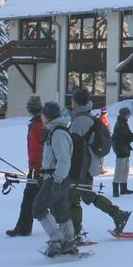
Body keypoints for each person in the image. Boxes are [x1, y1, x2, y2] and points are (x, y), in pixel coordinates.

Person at [67, 88, 131, 237]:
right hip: (88, 164)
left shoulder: (80, 120)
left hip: (80, 165)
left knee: (73, 199)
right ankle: (117, 214)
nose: (71, 102)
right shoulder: (86, 117)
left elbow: (71, 145)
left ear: (76, 102)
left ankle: (75, 232)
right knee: (86, 195)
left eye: (72, 99)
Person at [31, 101, 79, 257]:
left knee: (38, 208)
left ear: (48, 116)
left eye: (43, 115)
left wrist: (57, 180)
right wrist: (43, 176)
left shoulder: (58, 133)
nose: (42, 118)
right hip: (57, 176)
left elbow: (64, 160)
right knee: (60, 211)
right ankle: (68, 241)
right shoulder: (55, 131)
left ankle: (56, 240)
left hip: (59, 177)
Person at [6, 96, 46, 237]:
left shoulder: (40, 125)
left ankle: (24, 228)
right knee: (29, 198)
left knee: (40, 200)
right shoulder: (36, 124)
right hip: (35, 168)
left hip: (41, 169)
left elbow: (42, 149)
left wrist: (40, 168)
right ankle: (23, 227)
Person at [111, 107, 133, 196]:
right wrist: (131, 137)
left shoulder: (124, 123)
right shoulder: (119, 124)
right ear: (124, 115)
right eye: (128, 114)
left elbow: (129, 134)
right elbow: (124, 136)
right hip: (121, 149)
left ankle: (123, 188)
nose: (129, 116)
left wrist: (131, 136)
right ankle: (115, 190)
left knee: (125, 169)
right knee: (119, 169)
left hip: (125, 149)